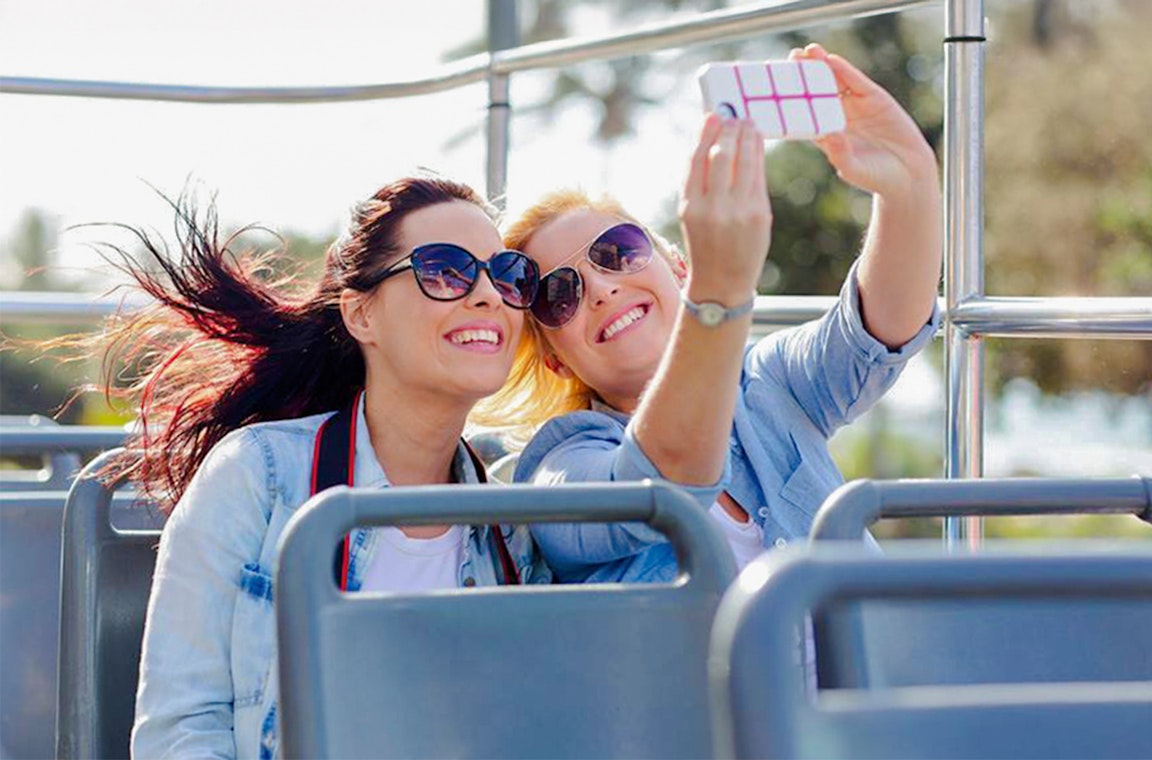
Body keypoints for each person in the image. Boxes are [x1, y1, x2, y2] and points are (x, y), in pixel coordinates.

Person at [68, 171, 550, 758]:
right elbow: (181, 730)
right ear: (361, 315)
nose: (487, 295)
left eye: (507, 275)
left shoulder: (513, 520)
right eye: (445, 270)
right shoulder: (257, 476)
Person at [486, 44, 943, 583]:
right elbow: (665, 479)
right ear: (556, 361)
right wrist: (719, 293)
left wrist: (908, 180)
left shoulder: (767, 384)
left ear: (677, 267)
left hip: (873, 667)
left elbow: (877, 329)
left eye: (617, 252)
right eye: (559, 294)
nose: (601, 288)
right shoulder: (559, 465)